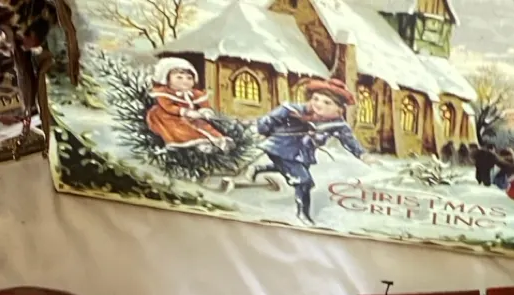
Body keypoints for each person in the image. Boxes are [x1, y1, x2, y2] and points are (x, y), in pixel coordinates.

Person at [252, 78, 364, 224]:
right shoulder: (293, 110)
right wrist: (264, 129)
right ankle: (303, 215)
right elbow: (269, 120)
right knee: (303, 180)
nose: (318, 104)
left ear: (339, 109)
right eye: (315, 99)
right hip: (281, 148)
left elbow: (348, 139)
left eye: (327, 103)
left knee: (291, 169)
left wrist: (362, 154)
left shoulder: (337, 124)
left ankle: (259, 169)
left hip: (303, 153)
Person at [146, 57, 232, 153]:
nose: (185, 81)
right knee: (181, 128)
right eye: (179, 77)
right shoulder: (164, 93)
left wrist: (206, 111)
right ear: (167, 80)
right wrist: (186, 112)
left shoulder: (194, 93)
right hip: (170, 117)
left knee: (203, 125)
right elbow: (168, 107)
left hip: (191, 116)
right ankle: (199, 142)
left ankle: (220, 140)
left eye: (189, 78)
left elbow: (204, 103)